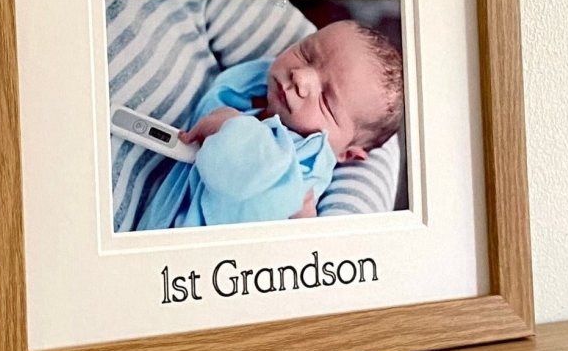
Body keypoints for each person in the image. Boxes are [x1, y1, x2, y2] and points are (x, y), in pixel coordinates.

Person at [136, 20, 403, 230]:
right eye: (307, 53)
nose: (301, 77)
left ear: (345, 153)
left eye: (326, 100)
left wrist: (230, 127)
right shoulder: (262, 99)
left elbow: (252, 184)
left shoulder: (308, 160)